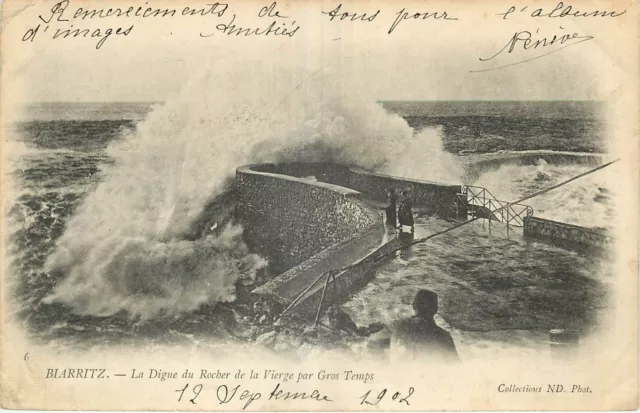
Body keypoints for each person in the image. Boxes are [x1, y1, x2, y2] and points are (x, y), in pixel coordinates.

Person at [391, 289, 458, 362]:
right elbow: (456, 365)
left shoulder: (399, 327)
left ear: (414, 305)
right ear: (435, 309)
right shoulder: (444, 337)